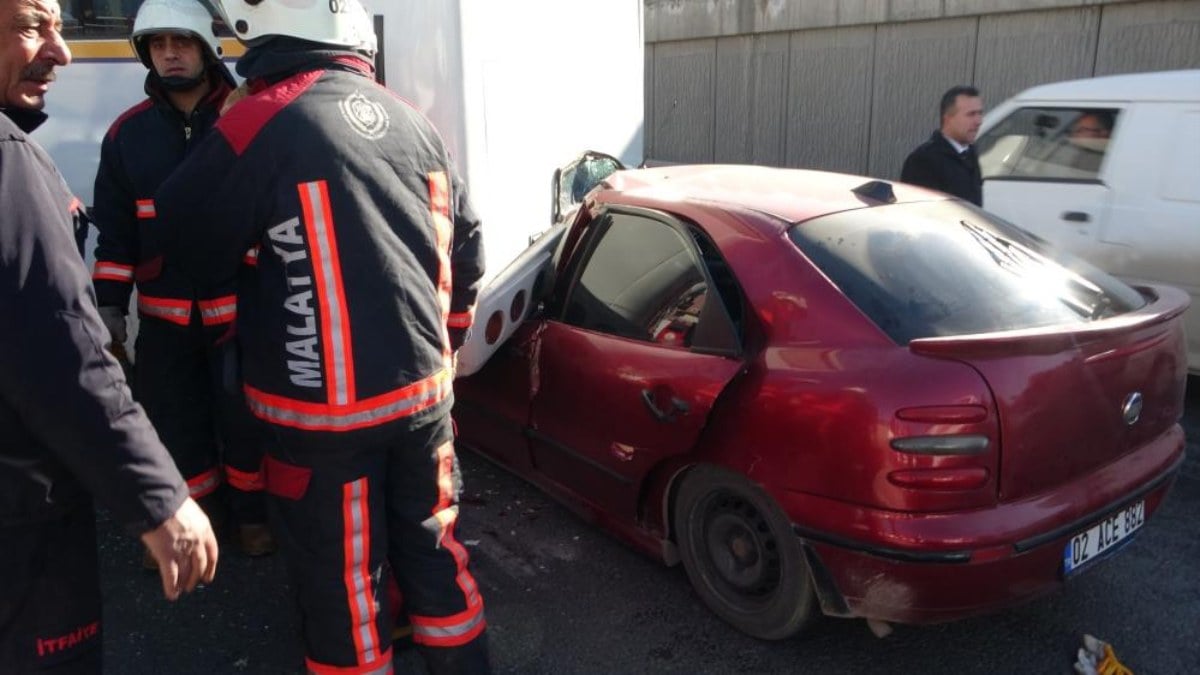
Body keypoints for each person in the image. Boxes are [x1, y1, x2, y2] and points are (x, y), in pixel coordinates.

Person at [156, 1, 489, 672]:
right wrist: (444, 353)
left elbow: (184, 231)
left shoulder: (257, 119)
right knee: (437, 555)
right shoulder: (414, 122)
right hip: (425, 401)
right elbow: (470, 248)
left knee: (343, 588)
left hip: (321, 419)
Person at [0, 0, 218, 672]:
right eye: (34, 25)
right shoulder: (112, 138)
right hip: (23, 508)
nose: (61, 51)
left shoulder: (240, 123)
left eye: (63, 28)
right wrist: (159, 500)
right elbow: (63, 351)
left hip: (234, 324)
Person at [90, 0, 275, 563]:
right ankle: (199, 524)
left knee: (246, 427)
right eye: (158, 44)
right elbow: (116, 236)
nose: (170, 54)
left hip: (240, 314)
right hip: (166, 321)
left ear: (207, 47)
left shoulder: (247, 117)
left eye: (182, 41)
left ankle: (253, 521)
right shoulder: (127, 136)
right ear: (146, 53)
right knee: (176, 426)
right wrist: (109, 310)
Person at [900, 84, 985, 206]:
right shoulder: (924, 160)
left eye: (980, 113)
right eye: (971, 114)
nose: (978, 121)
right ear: (948, 118)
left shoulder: (970, 154)